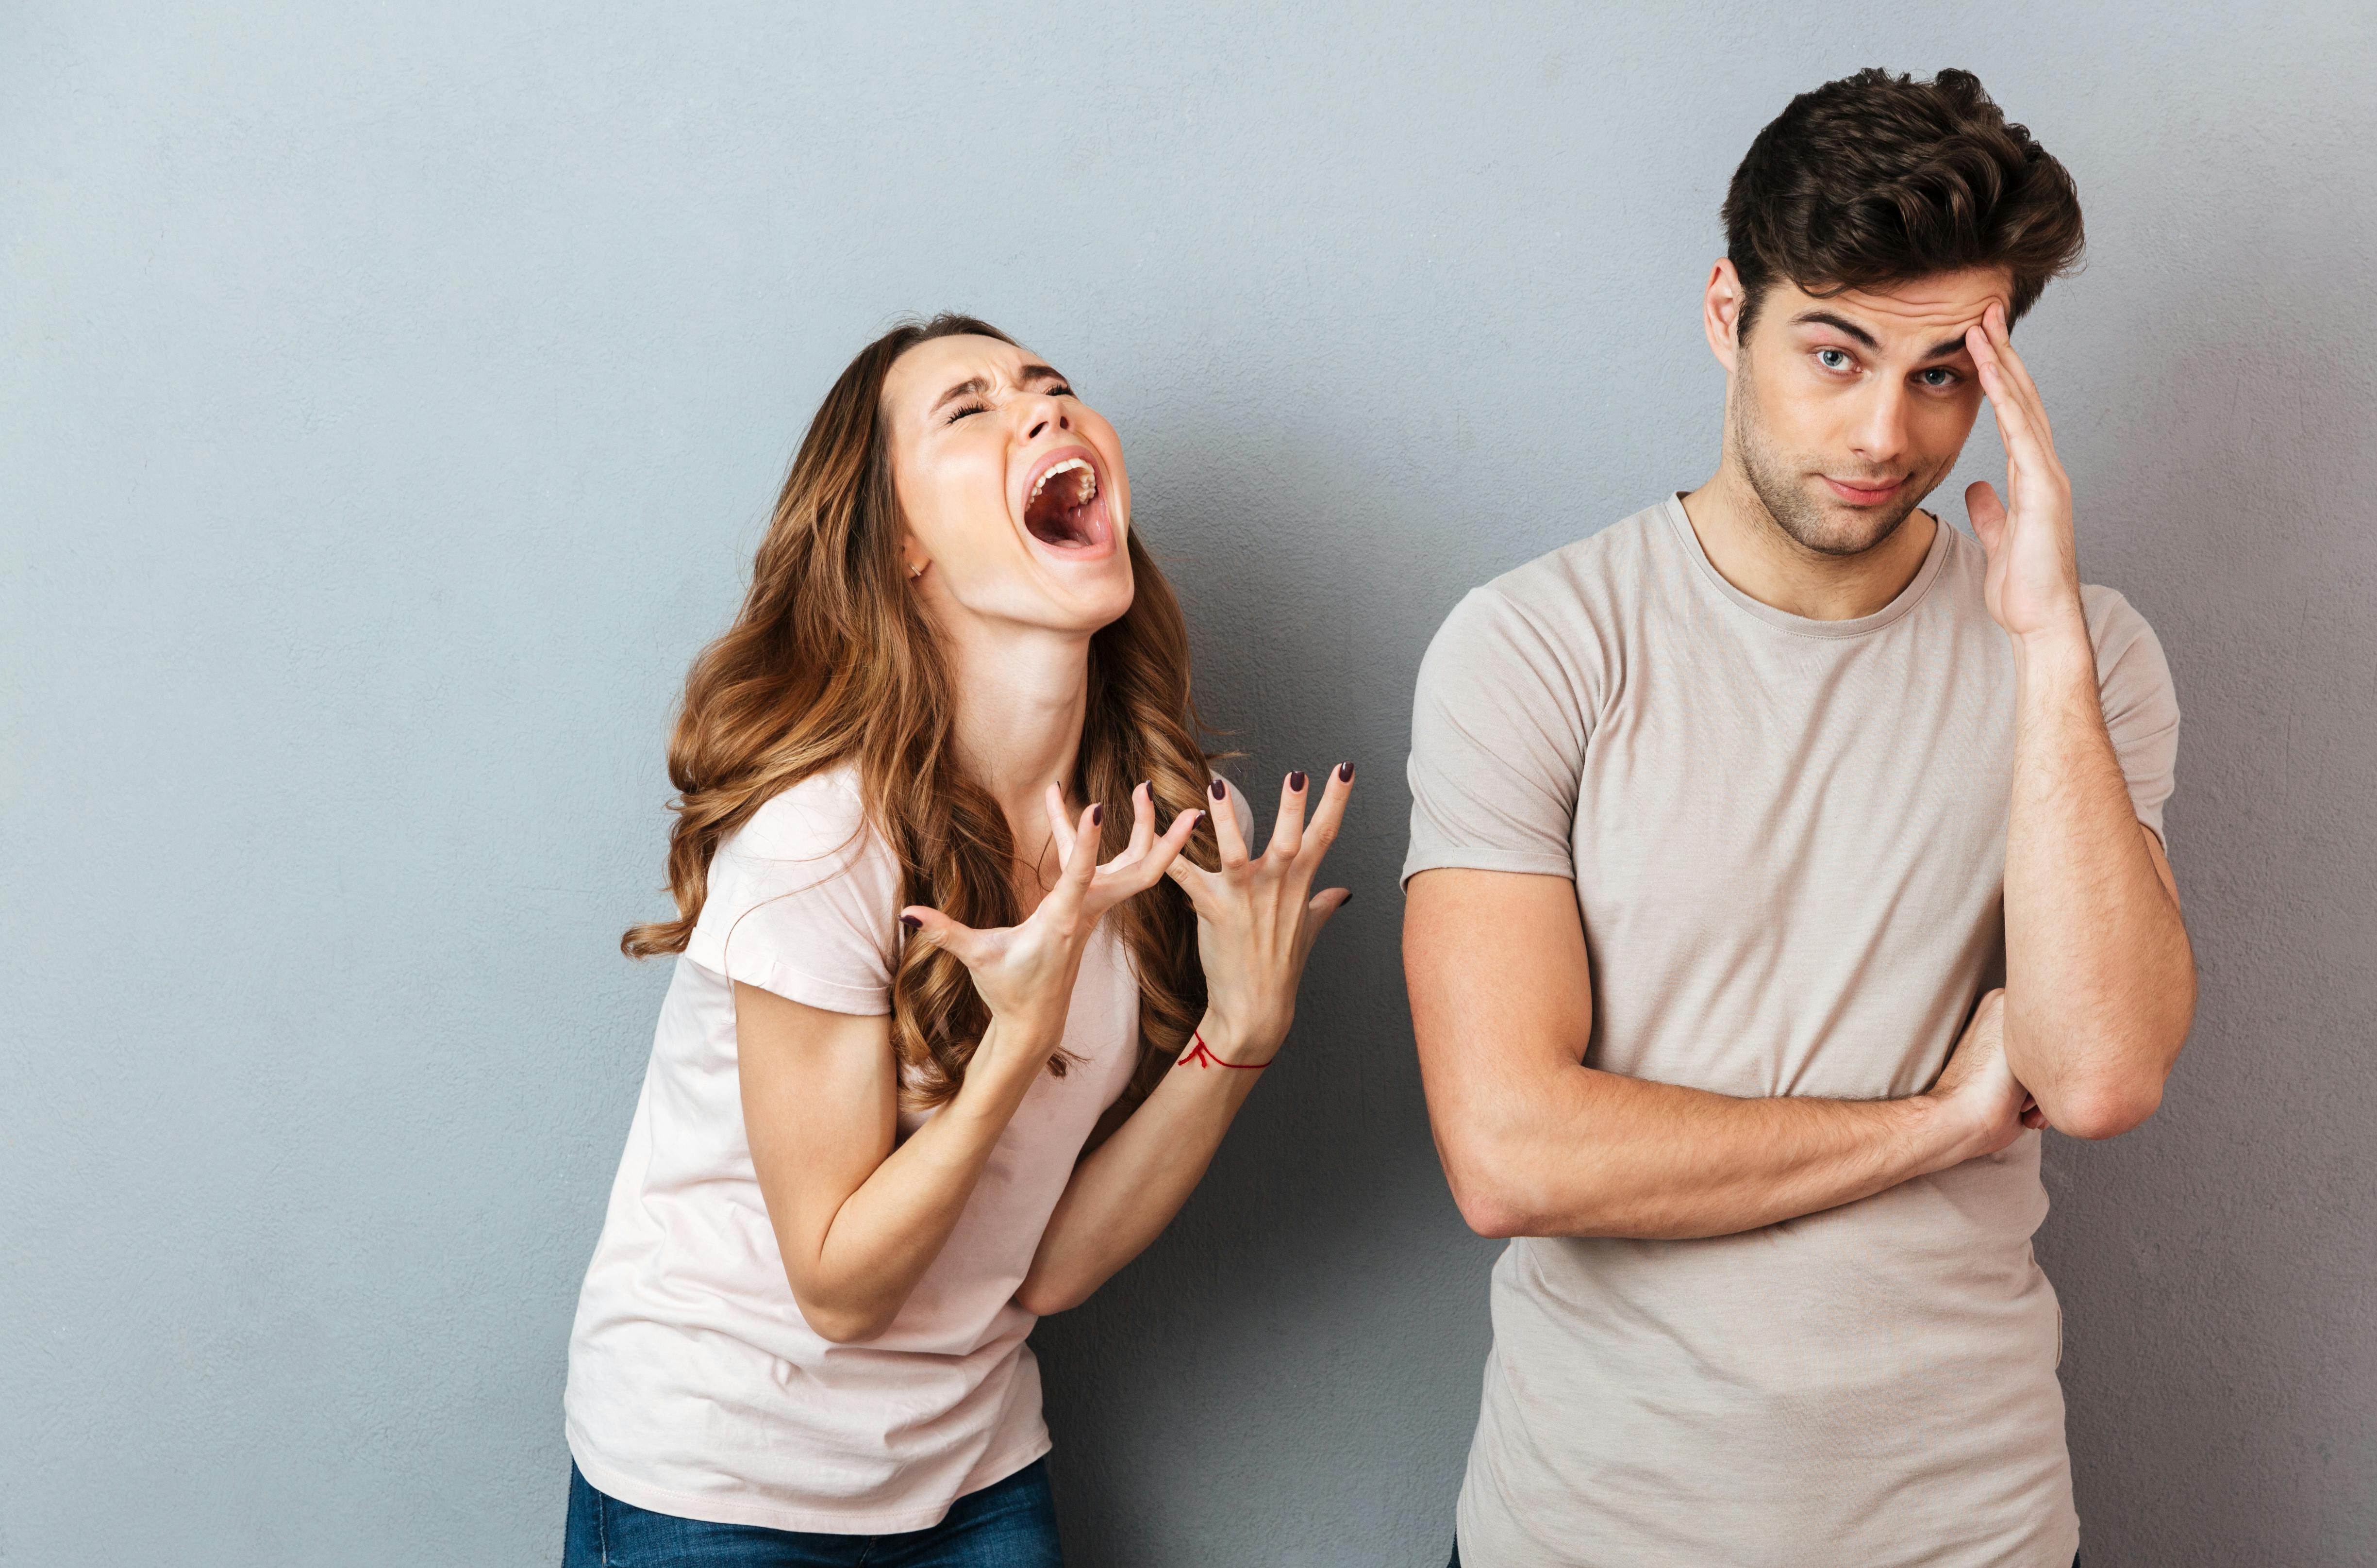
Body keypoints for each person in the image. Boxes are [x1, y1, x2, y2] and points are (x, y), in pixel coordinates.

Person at [1402, 68, 2193, 1566]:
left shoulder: (2087, 660)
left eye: (1945, 373)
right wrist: (1933, 1127)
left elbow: (2096, 1074)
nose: (1885, 431)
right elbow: (1512, 1152)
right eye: (1833, 355)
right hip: (1596, 1530)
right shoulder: (1537, 646)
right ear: (1727, 314)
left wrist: (2049, 653)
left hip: (1968, 1527)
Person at [561, 315, 1354, 1566]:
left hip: (975, 1468)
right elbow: (839, 1285)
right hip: (715, 1483)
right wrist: (1016, 1041)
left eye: (1053, 388)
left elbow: (1042, 1272)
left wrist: (1239, 1037)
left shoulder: (1181, 831)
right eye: (970, 409)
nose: (1044, 410)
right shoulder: (825, 837)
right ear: (904, 547)